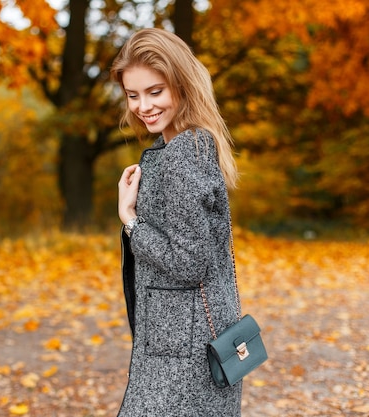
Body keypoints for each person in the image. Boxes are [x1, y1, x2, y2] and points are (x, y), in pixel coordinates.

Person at [111, 28, 243, 416]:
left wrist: (130, 220)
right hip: (191, 336)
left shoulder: (182, 154)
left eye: (155, 92)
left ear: (181, 85)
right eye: (133, 95)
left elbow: (189, 261)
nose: (142, 106)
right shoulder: (186, 145)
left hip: (184, 351)